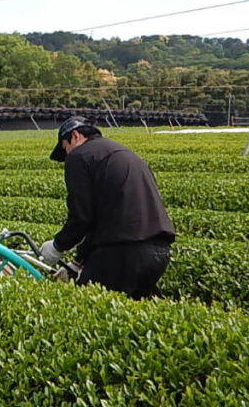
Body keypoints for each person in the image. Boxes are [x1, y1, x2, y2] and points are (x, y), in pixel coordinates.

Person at [39, 117, 174, 299]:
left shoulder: (79, 156)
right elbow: (103, 217)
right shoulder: (123, 153)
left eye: (65, 148)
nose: (67, 155)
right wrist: (78, 262)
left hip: (123, 252)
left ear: (75, 136)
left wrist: (57, 246)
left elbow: (82, 216)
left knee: (87, 308)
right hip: (158, 252)